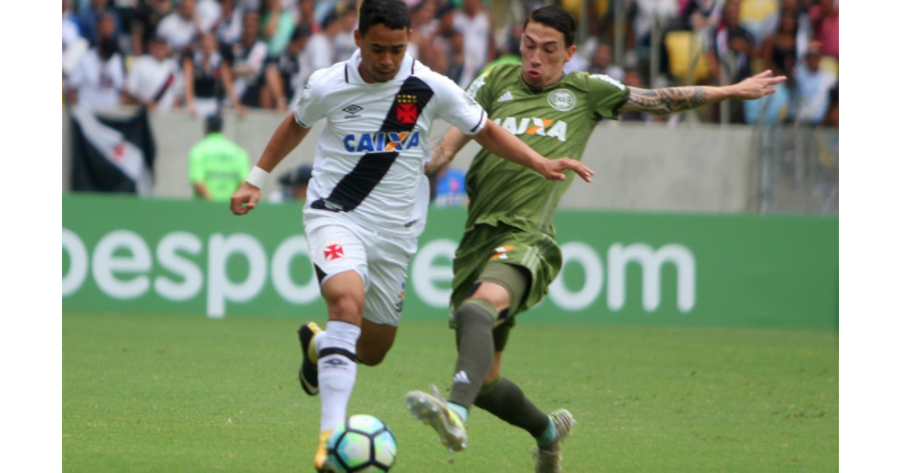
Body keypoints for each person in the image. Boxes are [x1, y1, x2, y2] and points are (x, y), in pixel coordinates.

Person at [402, 6, 785, 472]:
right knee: (486, 380)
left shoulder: (586, 92)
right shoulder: (497, 80)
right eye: (528, 45)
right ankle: (547, 434)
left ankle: (453, 415)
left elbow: (660, 97)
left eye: (548, 50)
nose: (535, 58)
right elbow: (461, 129)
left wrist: (731, 90)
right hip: (476, 239)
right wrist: (432, 160)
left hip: (528, 237)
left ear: (569, 54)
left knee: (475, 311)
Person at [227, 1, 593, 471]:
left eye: (397, 50)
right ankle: (330, 437)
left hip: (395, 234)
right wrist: (256, 177)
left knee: (374, 349)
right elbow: (294, 126)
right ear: (358, 39)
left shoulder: (429, 86)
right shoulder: (327, 84)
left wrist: (540, 162)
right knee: (345, 302)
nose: (387, 60)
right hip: (335, 214)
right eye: (378, 49)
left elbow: (486, 130)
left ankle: (321, 346)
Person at [189, 114, 250, 201]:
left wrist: (213, 204)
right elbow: (243, 182)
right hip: (231, 210)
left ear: (205, 127)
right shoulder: (238, 152)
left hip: (204, 210)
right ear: (222, 128)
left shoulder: (198, 151)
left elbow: (197, 181)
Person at [183, 32, 243, 117]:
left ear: (215, 44)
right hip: (196, 101)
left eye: (210, 41)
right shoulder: (191, 60)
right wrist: (190, 103)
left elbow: (228, 84)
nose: (207, 44)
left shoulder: (219, 61)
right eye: (204, 41)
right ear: (200, 43)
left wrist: (237, 105)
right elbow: (188, 84)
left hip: (213, 102)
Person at [123, 35, 182, 111]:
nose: (159, 49)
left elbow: (177, 93)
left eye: (162, 45)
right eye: (156, 45)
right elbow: (129, 91)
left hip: (167, 115)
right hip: (143, 113)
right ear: (150, 46)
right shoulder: (140, 63)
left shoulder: (173, 67)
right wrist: (145, 105)